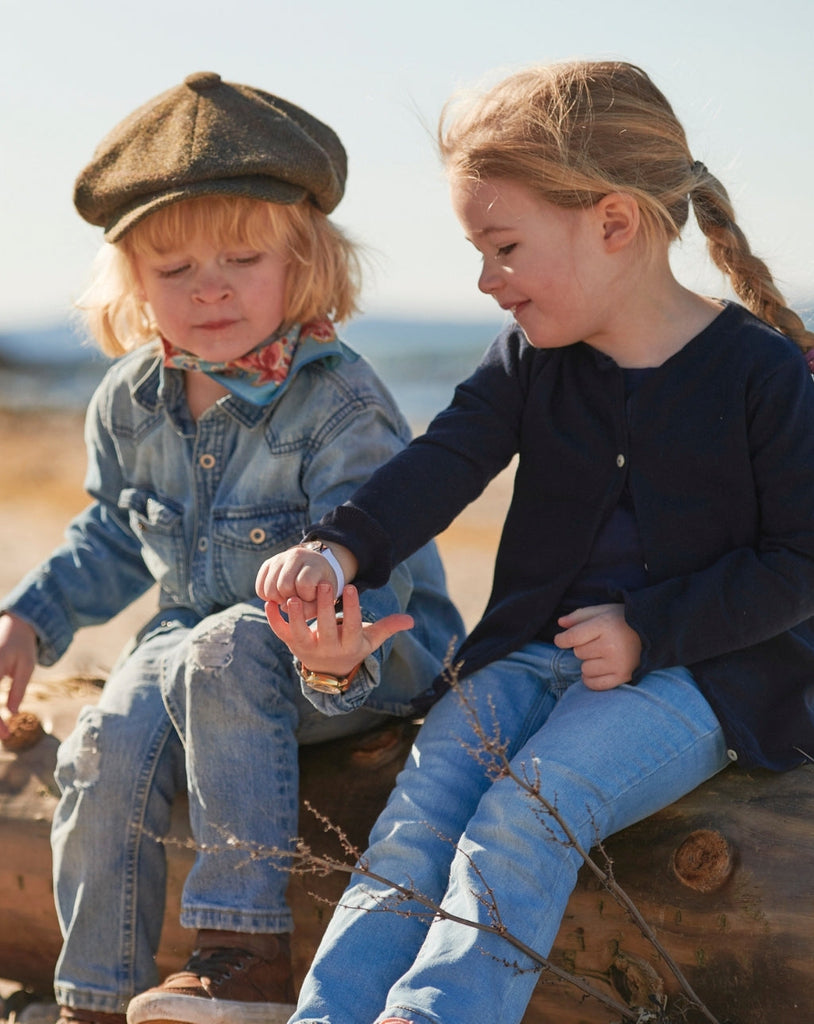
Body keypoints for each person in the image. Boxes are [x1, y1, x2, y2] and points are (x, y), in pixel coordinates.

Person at [255, 59, 814, 1024]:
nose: (484, 279)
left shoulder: (759, 372)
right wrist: (340, 551)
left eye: (504, 245)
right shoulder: (529, 358)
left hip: (703, 673)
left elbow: (800, 561)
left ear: (612, 223)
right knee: (421, 813)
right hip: (523, 654)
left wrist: (649, 629)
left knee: (529, 812)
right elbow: (445, 459)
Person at [0, 72, 463, 1024]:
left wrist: (338, 641)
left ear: (302, 263)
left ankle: (243, 956)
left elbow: (374, 544)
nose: (209, 288)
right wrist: (28, 620)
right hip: (188, 643)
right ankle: (93, 996)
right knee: (102, 741)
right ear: (131, 281)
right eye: (175, 272)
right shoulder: (128, 399)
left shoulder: (339, 401)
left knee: (221, 649)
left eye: (243, 259)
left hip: (345, 653)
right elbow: (113, 539)